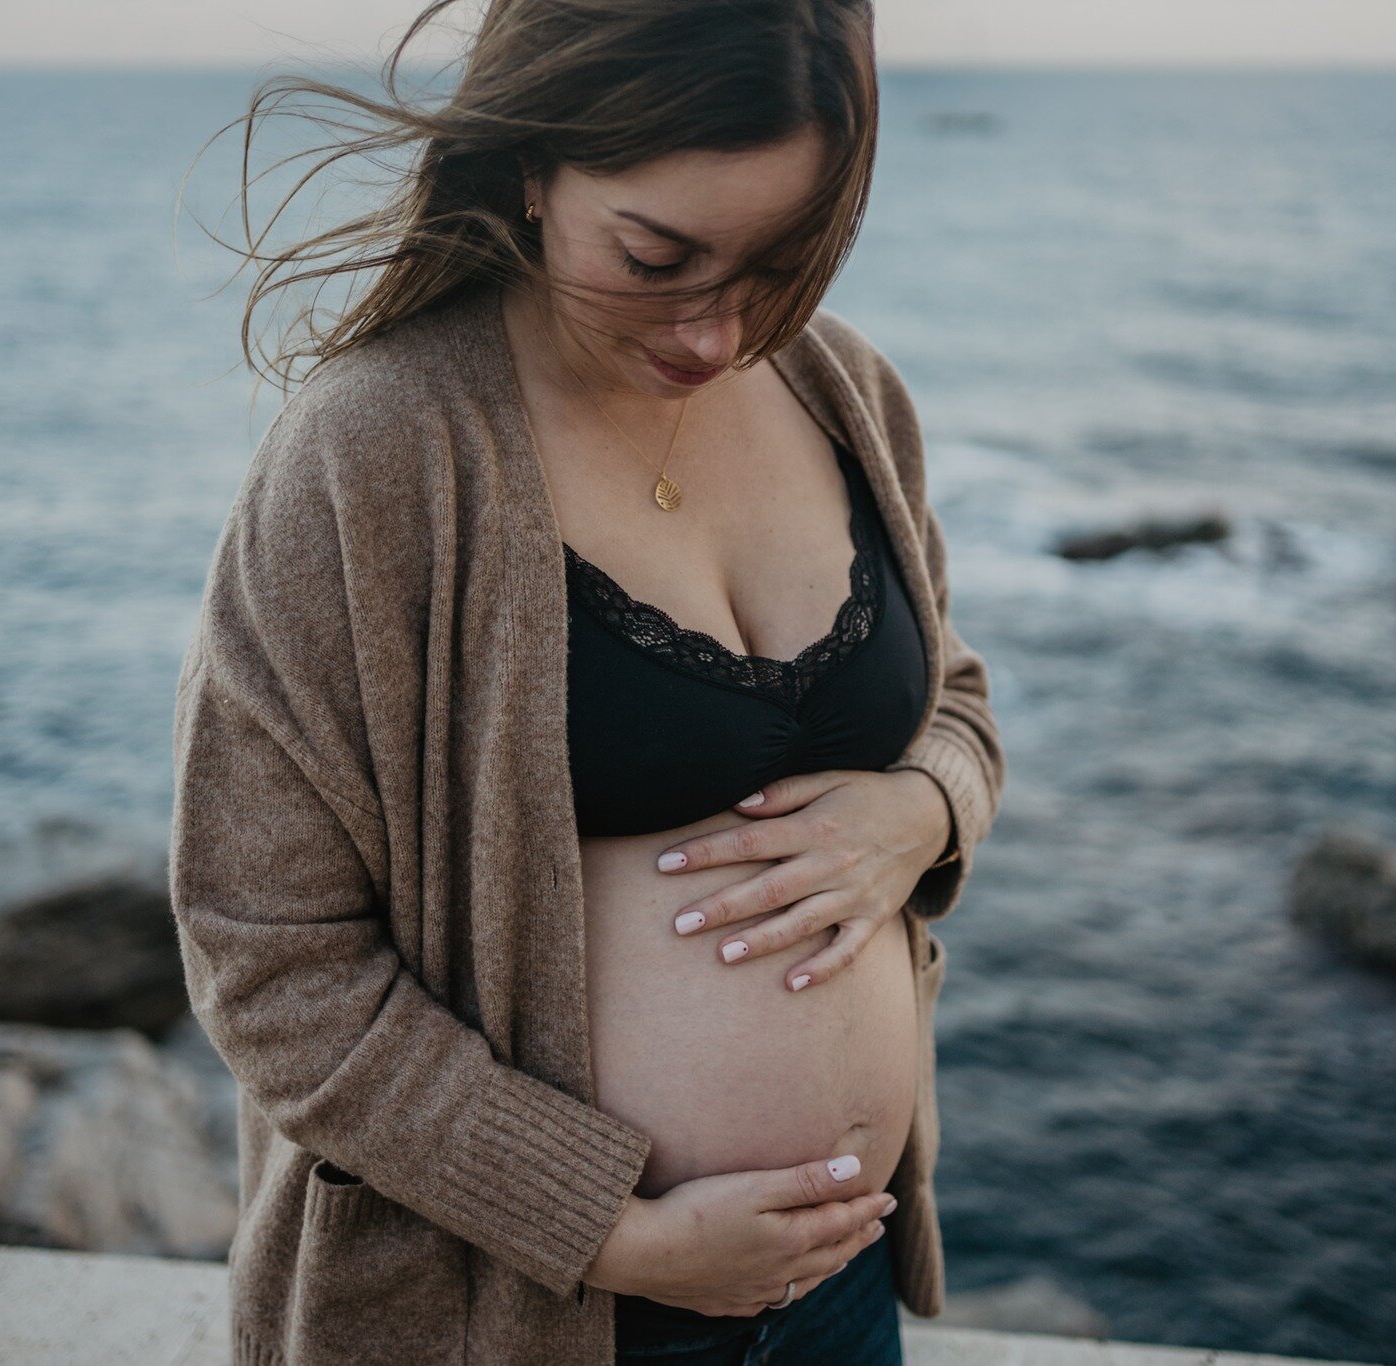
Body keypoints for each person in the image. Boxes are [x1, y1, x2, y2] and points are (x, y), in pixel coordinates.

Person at [168, 2, 1006, 1362]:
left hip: (838, 1299)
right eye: (658, 256)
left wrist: (921, 809)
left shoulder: (845, 389)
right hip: (527, 1314)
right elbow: (269, 958)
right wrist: (611, 1230)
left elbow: (956, 697)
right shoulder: (374, 454)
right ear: (531, 166)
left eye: (782, 261)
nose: (716, 336)